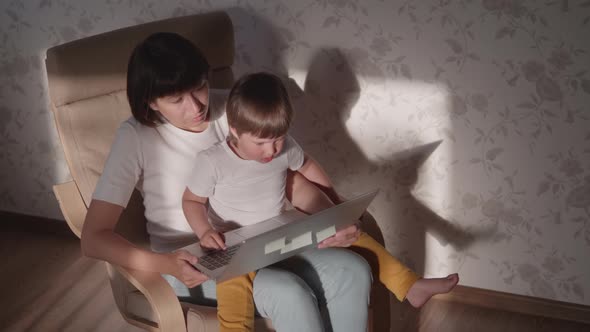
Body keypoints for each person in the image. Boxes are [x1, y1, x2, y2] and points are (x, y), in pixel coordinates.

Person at [80, 32, 373, 332]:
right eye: (176, 99)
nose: (195, 107)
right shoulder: (135, 136)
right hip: (192, 260)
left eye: (200, 88)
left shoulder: (233, 107)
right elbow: (93, 238)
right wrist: (166, 264)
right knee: (288, 293)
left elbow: (293, 178)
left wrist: (337, 217)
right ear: (151, 102)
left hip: (263, 242)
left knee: (354, 270)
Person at [182, 72, 460, 331]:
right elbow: (192, 201)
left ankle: (409, 285)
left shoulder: (284, 147)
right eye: (260, 143)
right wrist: (204, 231)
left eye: (278, 139)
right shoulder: (212, 161)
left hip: (278, 233)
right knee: (231, 283)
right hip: (236, 245)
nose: (272, 150)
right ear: (233, 130)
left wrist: (335, 205)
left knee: (348, 232)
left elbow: (307, 166)